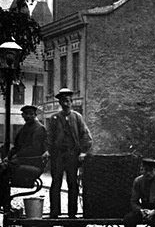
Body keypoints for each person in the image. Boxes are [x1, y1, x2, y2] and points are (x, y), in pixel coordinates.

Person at [47, 88, 93, 218]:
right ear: (60, 103)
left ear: (71, 102)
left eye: (67, 101)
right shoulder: (54, 118)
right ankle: (54, 213)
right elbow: (49, 136)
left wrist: (83, 152)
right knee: (56, 183)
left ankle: (72, 214)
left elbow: (86, 135)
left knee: (72, 184)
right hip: (58, 156)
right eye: (63, 101)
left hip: (73, 155)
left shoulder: (77, 118)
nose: (65, 103)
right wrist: (47, 150)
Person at [0, 105, 49, 211]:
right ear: (23, 115)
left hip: (33, 164)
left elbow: (34, 149)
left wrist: (15, 158)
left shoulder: (39, 128)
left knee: (5, 171)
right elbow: (16, 147)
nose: (28, 116)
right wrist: (7, 157)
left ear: (35, 115)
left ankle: (5, 204)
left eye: (31, 114)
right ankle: (4, 202)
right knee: (2, 170)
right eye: (26, 114)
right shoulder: (24, 128)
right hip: (22, 161)